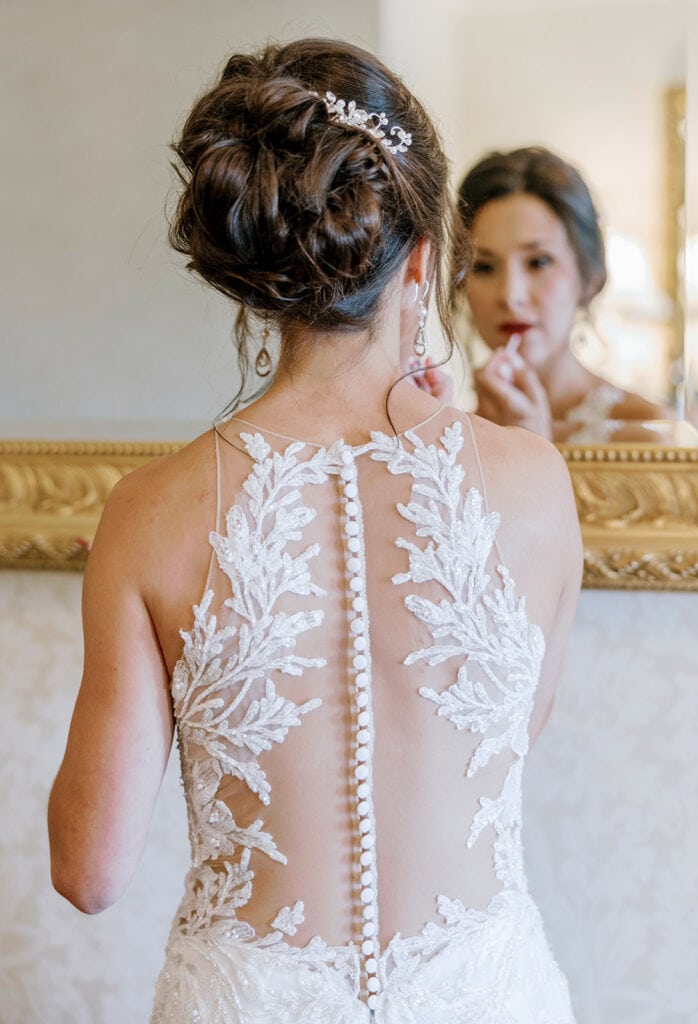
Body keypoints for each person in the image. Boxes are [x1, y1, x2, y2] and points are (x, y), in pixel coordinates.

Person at [48, 39, 582, 1023]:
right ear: (425, 259)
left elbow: (90, 869)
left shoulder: (148, 513)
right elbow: (501, 744)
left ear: (255, 280)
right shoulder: (534, 481)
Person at [456, 147, 668, 443]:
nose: (509, 295)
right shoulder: (450, 436)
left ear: (590, 277)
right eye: (484, 266)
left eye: (538, 262)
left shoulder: (650, 430)